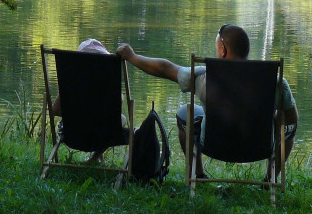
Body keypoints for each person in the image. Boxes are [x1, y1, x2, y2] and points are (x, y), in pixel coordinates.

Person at [116, 25, 297, 181]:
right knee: (283, 122)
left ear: (223, 50)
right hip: (259, 148)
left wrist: (132, 56)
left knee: (186, 112)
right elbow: (291, 121)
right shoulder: (275, 81)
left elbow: (164, 69)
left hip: (214, 145)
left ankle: (198, 174)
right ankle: (271, 178)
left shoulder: (204, 76)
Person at [51, 38, 126, 162]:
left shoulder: (71, 86)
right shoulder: (108, 88)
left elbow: (55, 110)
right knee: (121, 118)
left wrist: (76, 111)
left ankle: (95, 158)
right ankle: (95, 156)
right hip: (101, 135)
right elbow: (115, 109)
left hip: (72, 135)